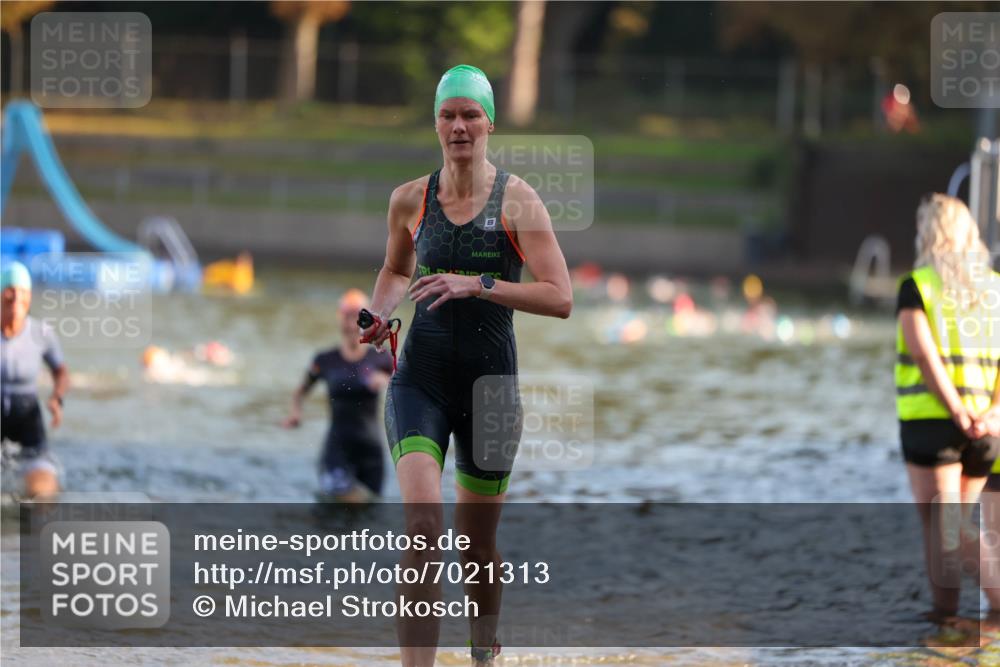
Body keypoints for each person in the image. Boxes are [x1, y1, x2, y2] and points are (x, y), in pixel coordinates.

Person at [362, 65, 572, 667]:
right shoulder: (410, 198)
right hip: (419, 379)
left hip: (491, 390)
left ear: (489, 124)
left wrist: (478, 284)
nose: (459, 126)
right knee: (424, 529)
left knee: (476, 546)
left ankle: (484, 653)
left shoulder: (519, 200)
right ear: (436, 124)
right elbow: (397, 270)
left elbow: (560, 297)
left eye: (470, 115)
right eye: (449, 115)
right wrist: (378, 313)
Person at [895, 194, 1000, 618]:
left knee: (944, 529)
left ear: (929, 232)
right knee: (951, 530)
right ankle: (951, 625)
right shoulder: (995, 287)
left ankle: (973, 609)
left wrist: (956, 410)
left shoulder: (918, 284)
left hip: (934, 423)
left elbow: (923, 355)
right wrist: (993, 412)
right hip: (986, 430)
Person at [283, 289, 392, 502]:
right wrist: (295, 414)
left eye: (357, 317)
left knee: (371, 514)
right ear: (340, 319)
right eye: (347, 317)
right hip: (337, 450)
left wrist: (386, 382)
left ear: (367, 320)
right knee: (347, 502)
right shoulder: (325, 360)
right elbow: (300, 392)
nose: (352, 324)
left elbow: (405, 389)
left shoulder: (381, 358)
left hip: (371, 452)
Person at [0, 261, 68, 499]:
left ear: (29, 297)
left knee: (43, 494)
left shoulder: (41, 333)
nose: (17, 297)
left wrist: (57, 397)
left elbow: (60, 371)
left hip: (28, 423)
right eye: (10, 290)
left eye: (23, 292)